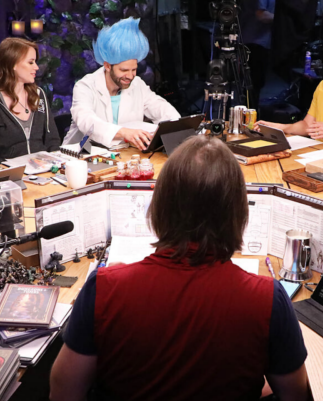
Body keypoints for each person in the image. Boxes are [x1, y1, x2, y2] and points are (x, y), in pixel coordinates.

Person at [49, 136, 309, 401]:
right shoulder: (268, 299)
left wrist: (113, 285)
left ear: (161, 205)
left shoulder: (105, 287)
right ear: (237, 212)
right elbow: (296, 394)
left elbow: (63, 392)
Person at [62, 17, 180, 150]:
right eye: (124, 70)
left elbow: (160, 107)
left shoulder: (137, 84)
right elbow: (87, 121)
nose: (130, 76)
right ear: (107, 66)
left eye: (134, 70)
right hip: (80, 155)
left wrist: (179, 126)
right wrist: (125, 133)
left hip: (122, 154)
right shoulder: (85, 86)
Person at [0, 38, 60, 164]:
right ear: (13, 64)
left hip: (46, 170)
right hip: (11, 173)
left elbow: (52, 141)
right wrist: (14, 171)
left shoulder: (39, 95)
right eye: (30, 62)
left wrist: (54, 166)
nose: (36, 67)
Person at [239, 0, 275, 110]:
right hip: (254, 42)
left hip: (257, 41)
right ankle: (250, 116)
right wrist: (283, 20)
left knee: (254, 85)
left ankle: (250, 114)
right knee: (252, 85)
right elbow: (261, 14)